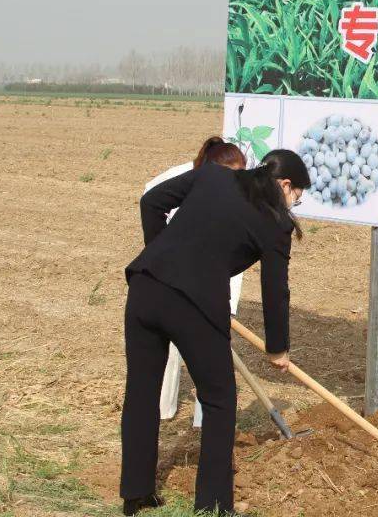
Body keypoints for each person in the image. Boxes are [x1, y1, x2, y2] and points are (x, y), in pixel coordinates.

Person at [120, 148, 310, 516]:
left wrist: (160, 255)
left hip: (145, 288)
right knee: (220, 400)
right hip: (194, 307)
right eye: (296, 198)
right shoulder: (275, 225)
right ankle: (213, 505)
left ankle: (135, 493)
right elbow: (275, 291)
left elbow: (151, 202)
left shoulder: (213, 176)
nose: (293, 205)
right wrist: (277, 349)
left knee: (142, 391)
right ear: (285, 184)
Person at [144, 137, 246, 428]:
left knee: (212, 359)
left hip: (212, 281)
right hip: (173, 281)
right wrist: (160, 254)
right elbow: (150, 199)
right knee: (167, 349)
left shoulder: (236, 196)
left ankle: (205, 422)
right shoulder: (177, 178)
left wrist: (226, 306)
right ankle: (162, 411)